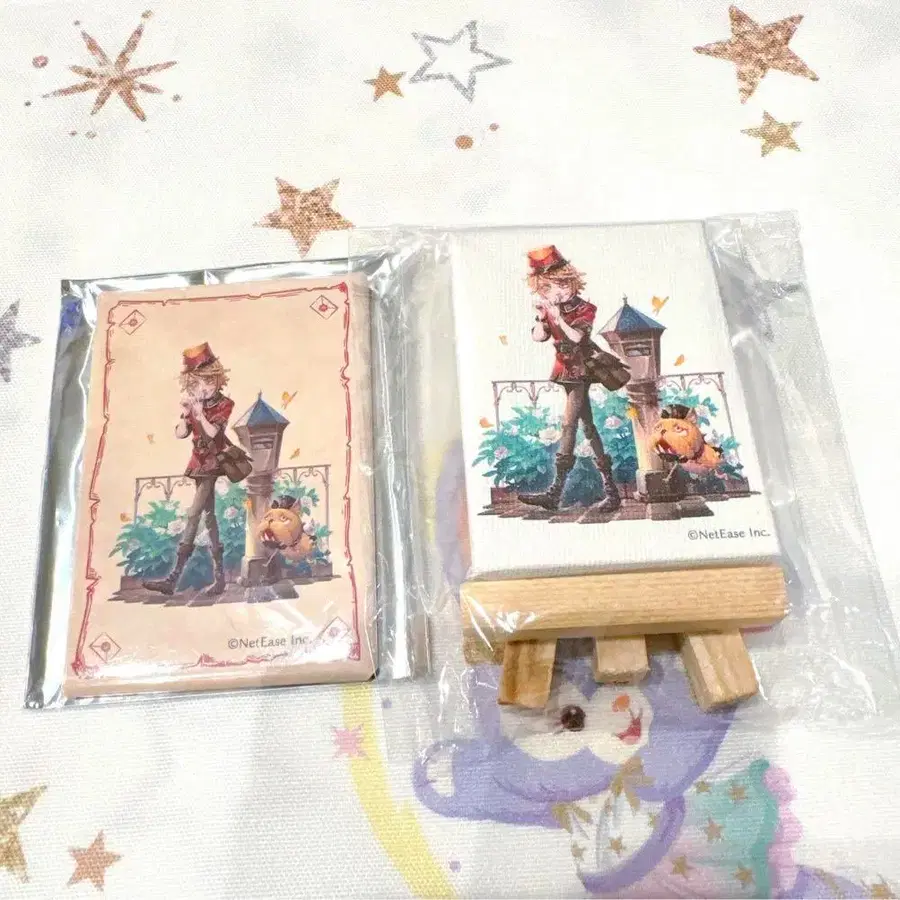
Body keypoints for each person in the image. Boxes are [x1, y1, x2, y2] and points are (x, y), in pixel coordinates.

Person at [519, 246, 629, 512]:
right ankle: (612, 492)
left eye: (562, 285)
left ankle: (555, 493)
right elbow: (538, 337)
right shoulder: (551, 309)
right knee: (588, 427)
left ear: (572, 281)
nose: (557, 292)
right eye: (548, 288)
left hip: (582, 368)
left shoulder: (585, 308)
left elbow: (578, 337)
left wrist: (559, 318)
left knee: (569, 425)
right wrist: (541, 317)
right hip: (565, 370)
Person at [144, 342, 234, 596]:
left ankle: (173, 578)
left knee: (194, 514)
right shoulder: (195, 404)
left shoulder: (225, 403)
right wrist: (186, 414)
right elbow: (181, 434)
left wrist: (200, 413)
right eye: (198, 383)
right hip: (198, 463)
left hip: (213, 463)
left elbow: (213, 433)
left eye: (209, 382)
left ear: (218, 379)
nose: (204, 388)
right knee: (209, 517)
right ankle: (220, 578)